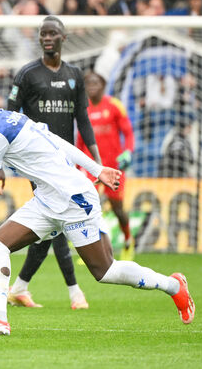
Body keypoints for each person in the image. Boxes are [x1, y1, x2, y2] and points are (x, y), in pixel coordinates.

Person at [0, 78, 194, 335]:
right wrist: (97, 168)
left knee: (105, 271)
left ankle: (173, 286)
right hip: (47, 201)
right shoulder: (14, 118)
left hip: (74, 200)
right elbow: (58, 141)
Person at [0, 16, 101, 310]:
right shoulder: (27, 74)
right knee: (61, 220)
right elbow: (6, 120)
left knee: (50, 225)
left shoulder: (75, 75)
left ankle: (20, 287)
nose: (47, 38)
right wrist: (0, 163)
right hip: (36, 161)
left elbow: (83, 119)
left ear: (64, 37)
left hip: (66, 161)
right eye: (43, 34)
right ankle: (75, 292)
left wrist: (97, 161)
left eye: (52, 33)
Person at [77, 71, 135, 260]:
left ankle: (128, 240)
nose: (91, 86)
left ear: (103, 85)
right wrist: (78, 166)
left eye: (95, 83)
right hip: (90, 167)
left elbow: (128, 133)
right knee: (88, 208)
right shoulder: (83, 108)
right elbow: (80, 139)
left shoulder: (114, 105)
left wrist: (128, 151)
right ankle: (92, 252)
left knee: (117, 208)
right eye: (88, 84)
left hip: (112, 167)